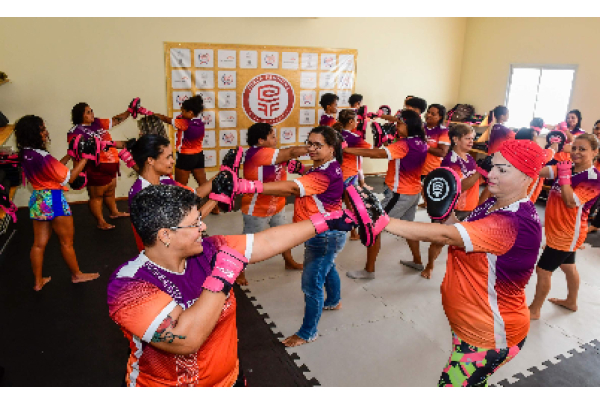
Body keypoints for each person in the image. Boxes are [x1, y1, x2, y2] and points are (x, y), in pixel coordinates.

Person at [107, 184, 356, 386]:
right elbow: (186, 340)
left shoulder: (209, 249)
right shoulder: (129, 286)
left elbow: (266, 241)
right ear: (165, 235)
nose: (203, 226)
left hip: (228, 380)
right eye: (195, 223)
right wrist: (222, 277)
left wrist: (326, 220)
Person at [377, 139, 547, 386]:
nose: (491, 174)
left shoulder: (510, 222)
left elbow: (446, 236)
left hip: (489, 336)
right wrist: (444, 211)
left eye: (503, 170)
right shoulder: (493, 203)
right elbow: (458, 230)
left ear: (526, 177)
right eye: (493, 167)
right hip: (473, 324)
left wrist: (382, 221)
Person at [234, 126, 347, 347]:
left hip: (324, 235)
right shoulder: (328, 166)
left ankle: (307, 333)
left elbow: (293, 189)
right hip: (324, 231)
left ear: (331, 149)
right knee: (328, 265)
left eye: (318, 145)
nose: (311, 148)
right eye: (310, 143)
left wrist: (246, 185)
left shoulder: (325, 174)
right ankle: (334, 301)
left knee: (311, 284)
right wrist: (303, 169)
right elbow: (310, 177)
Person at [15, 115, 100, 291]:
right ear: (33, 133)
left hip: (38, 198)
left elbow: (53, 173)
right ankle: (77, 275)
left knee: (38, 244)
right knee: (66, 242)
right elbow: (69, 178)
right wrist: (86, 157)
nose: (46, 132)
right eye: (42, 129)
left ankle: (38, 282)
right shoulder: (43, 156)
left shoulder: (25, 154)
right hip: (53, 199)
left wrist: (69, 156)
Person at [343, 109, 428, 278]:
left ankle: (369, 271)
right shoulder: (421, 141)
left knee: (373, 226)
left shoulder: (404, 144)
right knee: (409, 228)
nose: (397, 126)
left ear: (408, 125)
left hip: (399, 194)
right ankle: (418, 262)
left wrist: (347, 151)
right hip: (414, 193)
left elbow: (378, 154)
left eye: (400, 123)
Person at [529, 134, 600, 319]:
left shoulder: (593, 177)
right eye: (574, 148)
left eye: (582, 149)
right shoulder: (570, 168)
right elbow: (541, 172)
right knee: (568, 266)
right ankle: (571, 301)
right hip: (557, 229)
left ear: (595, 152)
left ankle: (534, 310)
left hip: (568, 233)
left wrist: (565, 177)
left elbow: (571, 202)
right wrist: (533, 160)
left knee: (543, 270)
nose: (576, 152)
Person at [238, 122, 309, 280]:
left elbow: (295, 165)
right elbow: (291, 152)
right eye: (272, 137)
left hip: (278, 205)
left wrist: (316, 171)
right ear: (261, 141)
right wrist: (313, 147)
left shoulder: (273, 154)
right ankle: (238, 271)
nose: (276, 139)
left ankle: (288, 261)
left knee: (285, 237)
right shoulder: (256, 153)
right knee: (250, 243)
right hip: (257, 209)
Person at [126, 134, 216, 252]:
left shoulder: (164, 181)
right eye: (168, 157)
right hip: (162, 255)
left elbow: (196, 193)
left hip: (173, 246)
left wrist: (224, 173)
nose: (173, 161)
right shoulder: (143, 194)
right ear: (151, 160)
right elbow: (183, 226)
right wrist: (216, 198)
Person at [419, 124, 481, 279]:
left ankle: (458, 270)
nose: (471, 141)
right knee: (440, 239)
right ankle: (430, 266)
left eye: (472, 138)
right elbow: (460, 186)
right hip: (452, 207)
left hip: (469, 206)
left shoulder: (470, 158)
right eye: (467, 138)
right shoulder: (450, 161)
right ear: (455, 139)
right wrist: (480, 172)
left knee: (465, 241)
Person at [147, 95, 220, 215]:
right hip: (198, 156)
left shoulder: (184, 123)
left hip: (185, 157)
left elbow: (166, 119)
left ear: (190, 112)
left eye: (183, 111)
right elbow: (180, 118)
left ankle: (179, 213)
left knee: (179, 187)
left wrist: (152, 114)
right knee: (204, 184)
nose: (181, 112)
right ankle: (215, 208)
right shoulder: (200, 122)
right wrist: (182, 115)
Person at [68, 102, 132, 230]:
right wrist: (77, 172)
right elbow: (75, 153)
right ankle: (100, 221)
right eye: (88, 112)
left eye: (91, 110)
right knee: (96, 196)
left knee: (110, 190)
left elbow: (115, 120)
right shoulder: (75, 132)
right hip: (94, 166)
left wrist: (129, 110)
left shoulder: (97, 122)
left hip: (112, 163)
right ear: (80, 115)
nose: (92, 113)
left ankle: (114, 212)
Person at [333, 109, 372, 241]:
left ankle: (337, 228)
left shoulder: (336, 134)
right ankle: (354, 232)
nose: (357, 122)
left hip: (337, 173)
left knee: (338, 203)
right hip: (350, 174)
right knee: (353, 205)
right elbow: (371, 149)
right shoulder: (353, 138)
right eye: (356, 120)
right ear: (351, 121)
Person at [476, 105, 515, 204]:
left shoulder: (496, 127)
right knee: (491, 185)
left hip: (493, 158)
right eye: (507, 114)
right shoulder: (502, 129)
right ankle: (478, 206)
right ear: (502, 116)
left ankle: (482, 205)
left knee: (492, 185)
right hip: (495, 160)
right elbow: (514, 136)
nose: (508, 116)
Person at [418, 104, 450, 209]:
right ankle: (426, 202)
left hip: (432, 166)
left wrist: (425, 146)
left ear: (440, 117)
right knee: (420, 186)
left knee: (429, 188)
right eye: (428, 112)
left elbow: (442, 152)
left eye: (433, 114)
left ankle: (433, 206)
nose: (429, 115)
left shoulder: (443, 131)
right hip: (417, 164)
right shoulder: (421, 127)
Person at [588, 121, 600, 233]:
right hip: (590, 176)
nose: (598, 131)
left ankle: (596, 224)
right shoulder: (589, 142)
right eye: (596, 128)